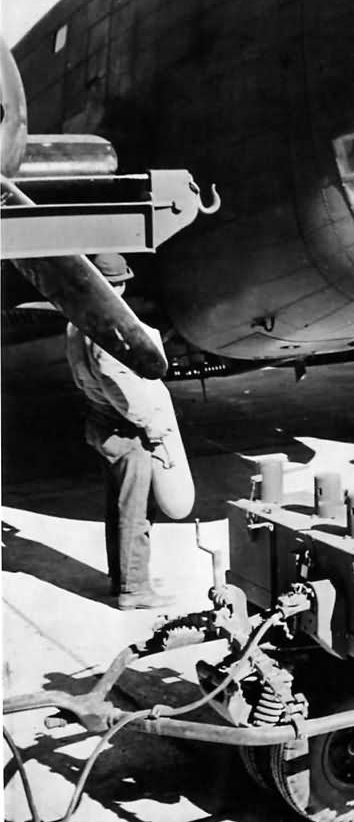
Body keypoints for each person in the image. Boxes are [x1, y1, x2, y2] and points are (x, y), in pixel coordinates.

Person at [65, 254, 178, 609]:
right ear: (121, 284)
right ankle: (134, 590)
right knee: (136, 512)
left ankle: (124, 579)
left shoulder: (78, 321)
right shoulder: (109, 332)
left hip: (101, 424)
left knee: (118, 508)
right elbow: (124, 391)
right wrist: (156, 430)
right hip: (125, 433)